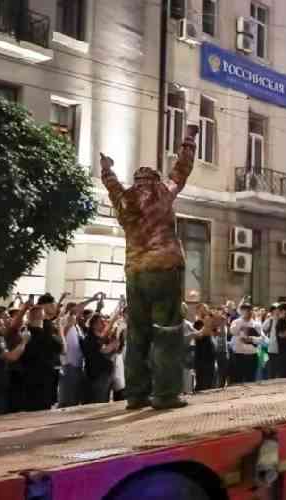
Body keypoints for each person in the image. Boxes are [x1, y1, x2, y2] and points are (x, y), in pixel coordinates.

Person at [100, 129, 197, 410]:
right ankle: (165, 395)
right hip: (164, 267)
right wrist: (188, 139)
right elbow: (182, 170)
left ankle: (136, 395)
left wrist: (107, 169)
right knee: (167, 330)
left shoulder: (124, 198)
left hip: (135, 271)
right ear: (154, 179)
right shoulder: (162, 191)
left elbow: (112, 186)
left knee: (137, 333)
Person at [81, 313, 121, 404]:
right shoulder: (90, 338)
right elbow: (103, 351)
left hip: (105, 374)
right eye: (101, 322)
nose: (104, 324)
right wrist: (112, 345)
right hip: (98, 375)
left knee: (104, 400)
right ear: (94, 325)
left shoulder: (101, 337)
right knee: (99, 401)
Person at [229, 304, 265, 383]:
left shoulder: (256, 324)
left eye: (249, 310)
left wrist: (251, 339)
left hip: (252, 355)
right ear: (241, 311)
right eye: (245, 311)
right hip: (238, 355)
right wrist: (242, 325)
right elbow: (233, 331)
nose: (248, 313)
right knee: (237, 379)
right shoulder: (236, 322)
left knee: (250, 379)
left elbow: (262, 339)